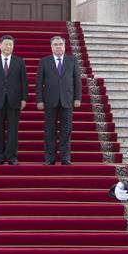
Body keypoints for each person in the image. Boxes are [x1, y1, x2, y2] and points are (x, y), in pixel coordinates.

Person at [36, 36, 82, 165]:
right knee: (49, 130)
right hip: (50, 100)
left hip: (67, 100)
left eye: (60, 44)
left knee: (66, 130)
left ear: (64, 46)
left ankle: (65, 157)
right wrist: (39, 100)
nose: (58, 46)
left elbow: (77, 80)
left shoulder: (72, 60)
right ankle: (50, 158)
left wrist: (77, 98)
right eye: (55, 44)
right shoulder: (44, 61)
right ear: (51, 47)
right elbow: (39, 82)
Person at [0, 35, 28, 165]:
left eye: (11, 45)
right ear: (0, 45)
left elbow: (24, 82)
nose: (9, 47)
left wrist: (24, 98)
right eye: (6, 44)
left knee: (13, 130)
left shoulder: (19, 61)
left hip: (14, 100)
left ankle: (12, 157)